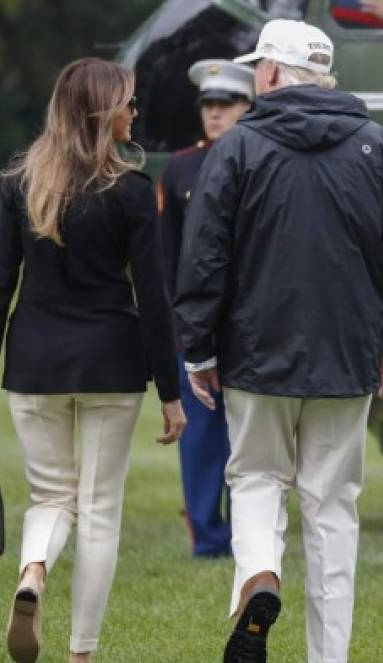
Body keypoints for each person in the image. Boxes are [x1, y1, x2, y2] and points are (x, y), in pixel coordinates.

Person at [174, 19, 383, 663]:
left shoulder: (238, 148)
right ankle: (328, 660)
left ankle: (260, 574)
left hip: (255, 353)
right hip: (348, 356)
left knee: (256, 478)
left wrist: (198, 349)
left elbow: (203, 256)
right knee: (332, 503)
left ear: (269, 74)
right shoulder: (375, 146)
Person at [0, 57, 186, 663]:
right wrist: (171, 391)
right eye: (128, 103)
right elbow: (154, 298)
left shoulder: (21, 182)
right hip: (112, 363)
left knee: (52, 497)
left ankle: (34, 571)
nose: (135, 111)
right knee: (101, 512)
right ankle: (80, 657)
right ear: (104, 113)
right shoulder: (134, 192)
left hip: (33, 361)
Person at [159, 59, 254, 559]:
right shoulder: (180, 168)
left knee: (250, 439)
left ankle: (248, 533)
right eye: (208, 105)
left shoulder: (263, 159)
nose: (214, 114)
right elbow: (167, 256)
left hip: (250, 327)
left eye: (226, 105)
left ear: (248, 107)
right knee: (200, 442)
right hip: (195, 328)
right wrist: (176, 327)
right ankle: (208, 537)